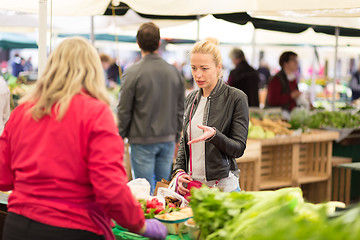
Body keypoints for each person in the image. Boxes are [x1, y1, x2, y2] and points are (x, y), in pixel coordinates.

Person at [0, 37, 166, 240]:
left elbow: (3, 177)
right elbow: (110, 188)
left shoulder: (23, 111)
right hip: (74, 227)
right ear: (94, 70)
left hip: (19, 226)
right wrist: (140, 225)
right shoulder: (96, 113)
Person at [172, 38, 249, 195]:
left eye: (204, 68)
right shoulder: (191, 98)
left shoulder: (235, 97)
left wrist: (214, 135)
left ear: (218, 67)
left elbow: (238, 148)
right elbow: (185, 141)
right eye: (193, 68)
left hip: (223, 188)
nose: (198, 74)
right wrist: (178, 172)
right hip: (194, 188)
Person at [117, 22, 184, 193]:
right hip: (168, 139)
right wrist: (176, 136)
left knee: (143, 192)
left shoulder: (132, 72)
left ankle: (149, 221)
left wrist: (120, 136)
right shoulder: (174, 72)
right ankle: (163, 220)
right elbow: (180, 108)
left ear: (138, 43)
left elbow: (124, 110)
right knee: (163, 189)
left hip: (141, 139)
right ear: (159, 42)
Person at [266, 51, 301, 116]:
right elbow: (272, 100)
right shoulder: (276, 79)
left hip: (290, 115)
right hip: (277, 117)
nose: (296, 62)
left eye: (296, 60)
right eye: (293, 60)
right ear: (285, 63)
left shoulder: (293, 78)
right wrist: (291, 96)